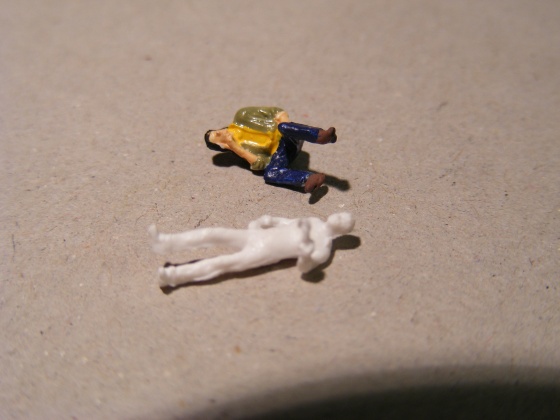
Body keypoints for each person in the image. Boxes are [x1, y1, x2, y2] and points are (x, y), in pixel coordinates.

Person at [149, 212, 355, 287]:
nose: (339, 217)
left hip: (265, 253)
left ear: (343, 231)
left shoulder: (323, 249)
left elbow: (304, 268)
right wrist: (270, 220)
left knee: (222, 263)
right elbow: (287, 222)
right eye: (341, 214)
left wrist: (304, 254)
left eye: (344, 221)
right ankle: (166, 242)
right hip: (258, 235)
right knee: (213, 233)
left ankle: (173, 276)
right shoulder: (314, 220)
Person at [204, 107, 337, 193]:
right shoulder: (240, 148)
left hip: (290, 135)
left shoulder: (242, 116)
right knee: (270, 174)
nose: (221, 135)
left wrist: (284, 123)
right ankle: (309, 178)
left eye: (216, 133)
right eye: (219, 140)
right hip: (282, 154)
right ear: (223, 146)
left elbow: (276, 112)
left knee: (284, 127)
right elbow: (261, 164)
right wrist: (234, 147)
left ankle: (321, 136)